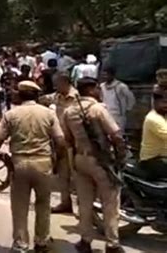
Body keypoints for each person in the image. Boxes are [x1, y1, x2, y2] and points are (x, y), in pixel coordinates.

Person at [0, 81, 65, 253]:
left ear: (20, 95)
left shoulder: (11, 114)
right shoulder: (48, 114)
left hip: (19, 163)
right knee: (43, 204)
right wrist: (57, 163)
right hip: (43, 163)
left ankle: (20, 244)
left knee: (19, 206)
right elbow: (60, 142)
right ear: (36, 95)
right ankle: (42, 242)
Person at [62, 77, 126, 253]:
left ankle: (85, 241)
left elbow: (67, 140)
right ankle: (112, 244)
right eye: (97, 88)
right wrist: (121, 159)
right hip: (101, 161)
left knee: (84, 203)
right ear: (91, 90)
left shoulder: (69, 112)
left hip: (79, 159)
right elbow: (115, 135)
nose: (99, 91)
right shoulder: (98, 109)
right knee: (111, 204)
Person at [50, 72, 78, 214]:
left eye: (58, 83)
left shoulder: (77, 97)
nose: (56, 86)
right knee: (63, 174)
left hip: (76, 142)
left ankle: (87, 209)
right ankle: (65, 202)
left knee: (78, 175)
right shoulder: (57, 97)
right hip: (61, 141)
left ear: (66, 83)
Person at [139, 87, 167, 178]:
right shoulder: (153, 118)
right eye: (164, 102)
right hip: (151, 161)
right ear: (155, 102)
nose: (166, 105)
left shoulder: (164, 116)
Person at [101, 67, 135, 136]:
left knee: (118, 135)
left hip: (118, 115)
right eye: (103, 75)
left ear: (112, 75)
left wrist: (127, 109)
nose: (105, 77)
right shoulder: (102, 86)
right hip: (106, 114)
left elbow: (131, 98)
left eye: (107, 75)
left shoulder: (121, 86)